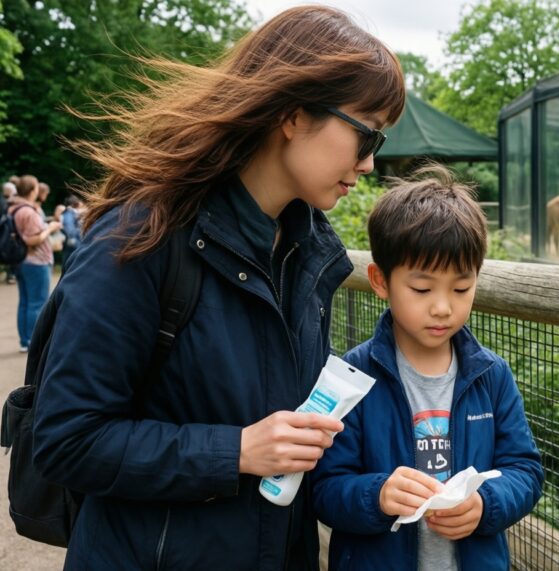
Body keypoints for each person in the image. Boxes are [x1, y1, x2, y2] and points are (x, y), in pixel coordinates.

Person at [30, 7, 405, 569]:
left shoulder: (309, 251)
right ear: (294, 114)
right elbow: (67, 439)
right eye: (366, 132)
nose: (371, 162)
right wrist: (234, 453)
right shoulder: (142, 235)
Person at [312, 166, 544, 570]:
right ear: (380, 281)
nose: (442, 307)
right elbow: (326, 487)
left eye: (461, 288)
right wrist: (378, 495)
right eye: (421, 289)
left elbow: (524, 470)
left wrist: (485, 504)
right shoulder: (353, 377)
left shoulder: (492, 375)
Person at [11, 175, 60, 352]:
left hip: (20, 261)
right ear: (33, 190)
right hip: (36, 261)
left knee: (25, 302)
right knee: (37, 304)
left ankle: (25, 340)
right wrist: (50, 229)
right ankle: (34, 343)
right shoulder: (29, 212)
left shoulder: (13, 208)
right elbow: (32, 240)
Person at [0, 181, 18, 283]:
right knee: (12, 252)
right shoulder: (5, 202)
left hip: (4, 232)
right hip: (6, 232)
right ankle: (11, 274)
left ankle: (11, 274)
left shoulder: (1, 201)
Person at [59, 195, 83, 268]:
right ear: (77, 203)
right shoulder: (69, 213)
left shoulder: (72, 213)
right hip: (73, 246)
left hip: (74, 246)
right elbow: (70, 231)